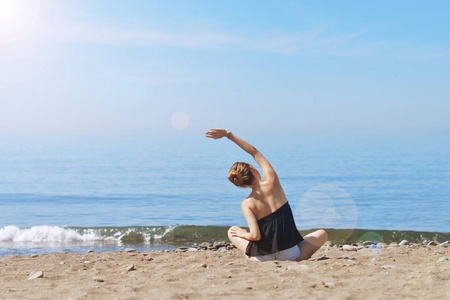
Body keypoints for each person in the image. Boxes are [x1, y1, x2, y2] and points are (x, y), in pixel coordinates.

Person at [205, 129, 328, 262]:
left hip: (262, 258)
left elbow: (255, 236)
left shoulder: (247, 203)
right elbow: (254, 152)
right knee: (322, 234)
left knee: (232, 231)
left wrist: (242, 233)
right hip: (289, 254)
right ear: (253, 169)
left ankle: (251, 258)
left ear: (242, 184)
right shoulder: (273, 182)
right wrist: (228, 135)